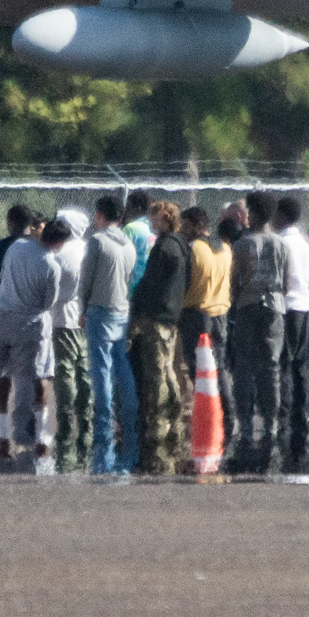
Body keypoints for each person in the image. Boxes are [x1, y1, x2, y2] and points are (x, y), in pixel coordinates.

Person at [0, 217, 65, 472]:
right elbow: (48, 302)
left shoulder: (16, 247)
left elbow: (0, 278)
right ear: (58, 242)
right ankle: (22, 440)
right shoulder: (51, 265)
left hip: (1, 319)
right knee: (24, 383)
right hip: (27, 326)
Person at [227, 191, 287, 474]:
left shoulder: (243, 243)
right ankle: (271, 429)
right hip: (274, 307)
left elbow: (235, 279)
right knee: (271, 369)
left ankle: (247, 430)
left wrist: (236, 304)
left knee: (244, 368)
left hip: (248, 306)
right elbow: (285, 279)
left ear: (255, 213)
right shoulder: (280, 243)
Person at [79, 195, 139, 474]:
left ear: (101, 214)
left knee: (101, 376)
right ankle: (130, 444)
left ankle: (103, 456)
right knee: (122, 371)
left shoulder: (97, 241)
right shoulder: (128, 244)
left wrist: (82, 307)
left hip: (100, 311)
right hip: (121, 310)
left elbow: (86, 280)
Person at [129, 202, 189, 475]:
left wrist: (136, 310)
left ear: (165, 219)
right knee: (170, 375)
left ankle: (158, 445)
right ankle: (175, 438)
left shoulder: (163, 248)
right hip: (173, 317)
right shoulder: (182, 246)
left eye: (154, 216)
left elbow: (148, 284)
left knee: (158, 378)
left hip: (156, 319)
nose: (151, 221)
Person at [0, 204, 38, 450]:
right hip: (31, 317)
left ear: (9, 222)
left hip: (3, 315)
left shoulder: (0, 246)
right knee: (32, 376)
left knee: (3, 376)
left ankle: (3, 433)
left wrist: (7, 297)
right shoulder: (38, 246)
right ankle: (32, 432)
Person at [178, 206, 233, 450]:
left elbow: (184, 283)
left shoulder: (193, 250)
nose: (181, 230)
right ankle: (228, 420)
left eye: (184, 225)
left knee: (198, 374)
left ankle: (205, 427)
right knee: (218, 371)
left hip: (195, 315)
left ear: (194, 225)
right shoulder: (225, 248)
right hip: (220, 314)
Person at [274, 196, 309, 474]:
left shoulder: (282, 243)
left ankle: (286, 423)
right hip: (307, 310)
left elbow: (280, 280)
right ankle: (303, 420)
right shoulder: (305, 244)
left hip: (289, 309)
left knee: (286, 368)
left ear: (281, 215)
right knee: (304, 368)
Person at [49, 205, 93, 472]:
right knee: (84, 373)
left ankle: (65, 434)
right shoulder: (87, 249)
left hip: (63, 319)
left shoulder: (61, 252)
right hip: (85, 318)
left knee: (65, 374)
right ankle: (86, 433)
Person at [121, 191, 154, 291]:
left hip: (133, 286)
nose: (126, 210)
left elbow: (121, 257)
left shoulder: (131, 228)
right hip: (151, 284)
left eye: (128, 206)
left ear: (138, 208)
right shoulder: (154, 227)